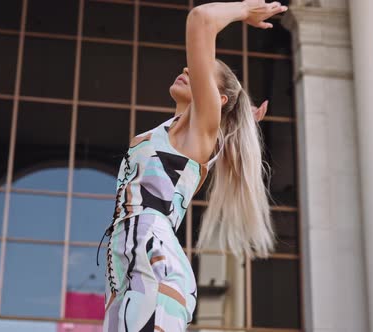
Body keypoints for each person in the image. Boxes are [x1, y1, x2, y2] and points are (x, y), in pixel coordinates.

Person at [97, 1, 286, 330]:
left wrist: (245, 10)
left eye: (198, 72)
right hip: (125, 263)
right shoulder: (182, 134)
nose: (187, 70)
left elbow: (200, 19)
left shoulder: (199, 131)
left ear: (218, 99)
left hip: (153, 264)